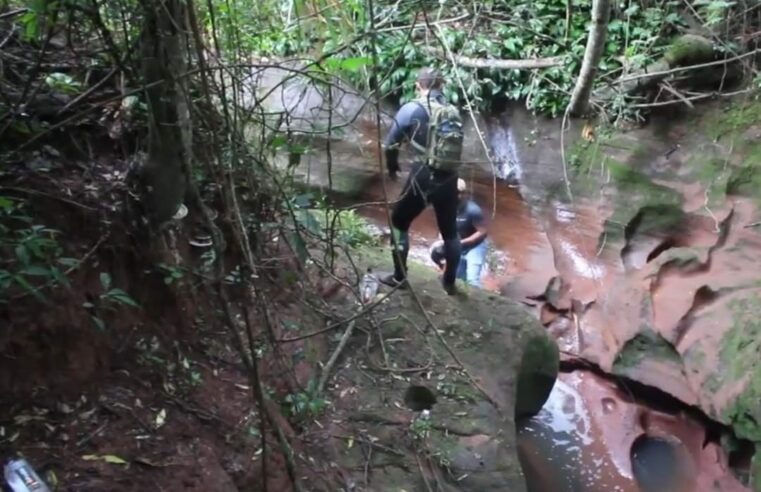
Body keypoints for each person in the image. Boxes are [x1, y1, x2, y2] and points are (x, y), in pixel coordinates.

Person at [379, 68, 463, 295]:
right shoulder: (453, 111)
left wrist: (392, 166)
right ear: (442, 86)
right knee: (450, 231)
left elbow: (389, 145)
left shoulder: (411, 108)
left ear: (418, 85)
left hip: (424, 175)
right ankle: (449, 282)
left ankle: (399, 277)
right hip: (450, 177)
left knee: (398, 220)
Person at [430, 178, 489, 288]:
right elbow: (443, 225)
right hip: (458, 245)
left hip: (475, 247)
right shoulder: (445, 207)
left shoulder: (473, 210)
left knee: (472, 280)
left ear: (465, 194)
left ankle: (478, 301)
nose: (458, 196)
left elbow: (483, 232)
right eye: (455, 193)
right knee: (458, 277)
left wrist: (462, 243)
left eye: (461, 193)